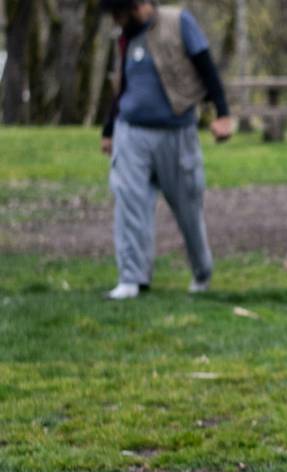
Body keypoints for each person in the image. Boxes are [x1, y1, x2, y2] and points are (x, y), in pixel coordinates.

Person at [97, 0, 234, 301]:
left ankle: (202, 271)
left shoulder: (179, 22)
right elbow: (122, 86)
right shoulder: (125, 37)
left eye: (120, 13)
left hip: (177, 132)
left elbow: (207, 68)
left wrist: (222, 113)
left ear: (137, 6)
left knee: (188, 207)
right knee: (129, 202)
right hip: (131, 132)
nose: (117, 21)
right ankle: (132, 279)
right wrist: (109, 129)